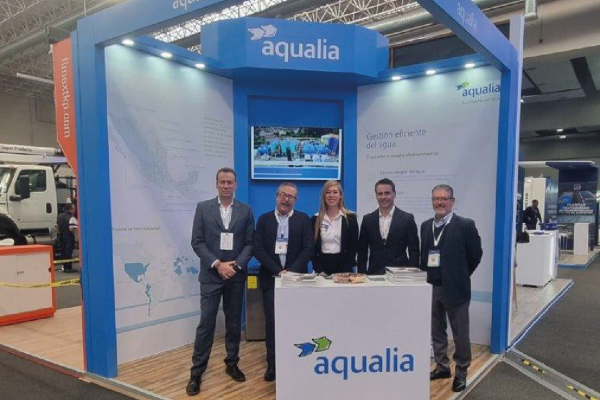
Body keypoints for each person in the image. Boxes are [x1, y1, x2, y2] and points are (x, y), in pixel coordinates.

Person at [186, 167, 255, 396]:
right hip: (211, 276)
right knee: (206, 324)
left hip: (235, 276)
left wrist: (235, 266)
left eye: (230, 182)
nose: (226, 186)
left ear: (236, 185)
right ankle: (196, 372)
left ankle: (232, 363)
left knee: (234, 323)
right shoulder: (203, 208)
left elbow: (250, 243)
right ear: (216, 184)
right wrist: (218, 264)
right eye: (222, 182)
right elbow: (197, 242)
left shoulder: (246, 210)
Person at [420, 184, 482, 393]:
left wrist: (460, 275)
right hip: (431, 287)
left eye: (444, 199)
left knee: (460, 334)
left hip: (456, 289)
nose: (440, 202)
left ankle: (461, 373)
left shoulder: (465, 225)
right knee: (437, 331)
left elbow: (475, 255)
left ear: (452, 201)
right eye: (436, 199)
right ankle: (442, 367)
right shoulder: (425, 226)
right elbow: (424, 256)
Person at [253, 182, 313, 382]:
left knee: (296, 321)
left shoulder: (304, 219)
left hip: (296, 281)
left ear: (296, 200)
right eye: (283, 195)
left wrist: (291, 272)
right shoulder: (264, 219)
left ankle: (295, 362)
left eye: (291, 197)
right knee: (272, 323)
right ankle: (273, 364)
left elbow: (308, 248)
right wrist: (278, 271)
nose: (286, 199)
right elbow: (258, 248)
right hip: (271, 279)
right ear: (276, 196)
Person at [357, 178, 419, 275]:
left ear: (394, 194)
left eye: (387, 193)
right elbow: (362, 251)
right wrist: (361, 275)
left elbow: (414, 251)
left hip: (400, 274)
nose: (383, 197)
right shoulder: (367, 220)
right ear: (376, 196)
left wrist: (413, 275)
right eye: (380, 194)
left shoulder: (407, 219)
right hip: (374, 273)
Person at [311, 180, 359, 275]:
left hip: (345, 269)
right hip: (321, 270)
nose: (331, 195)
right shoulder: (315, 219)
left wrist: (346, 270)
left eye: (335, 192)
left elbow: (353, 246)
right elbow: (312, 248)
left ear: (340, 196)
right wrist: (319, 270)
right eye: (328, 192)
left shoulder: (350, 218)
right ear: (323, 196)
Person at [56, 203, 77, 272]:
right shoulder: (71, 217)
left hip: (61, 237)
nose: (75, 210)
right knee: (68, 253)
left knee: (63, 252)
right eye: (74, 208)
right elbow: (72, 229)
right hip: (69, 237)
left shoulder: (59, 216)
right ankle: (69, 268)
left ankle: (65, 267)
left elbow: (57, 227)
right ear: (70, 209)